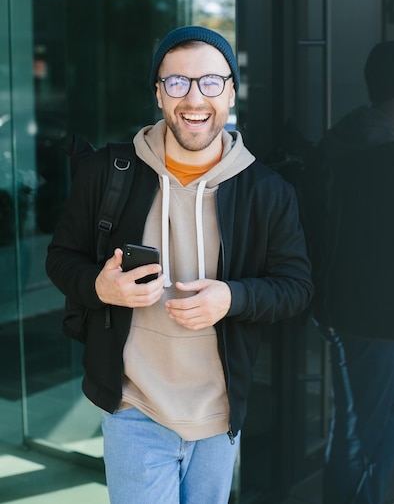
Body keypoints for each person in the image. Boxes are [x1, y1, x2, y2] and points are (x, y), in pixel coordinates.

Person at [46, 25, 313, 504]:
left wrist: (233, 296)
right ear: (158, 92)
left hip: (219, 415)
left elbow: (296, 286)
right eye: (177, 83)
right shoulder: (108, 172)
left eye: (211, 82)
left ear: (231, 90)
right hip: (134, 408)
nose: (194, 98)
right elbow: (61, 260)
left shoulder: (267, 191)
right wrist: (101, 288)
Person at [312, 40, 394, 504]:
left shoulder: (354, 137)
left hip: (353, 308)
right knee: (359, 431)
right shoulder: (387, 160)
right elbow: (390, 250)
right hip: (370, 316)